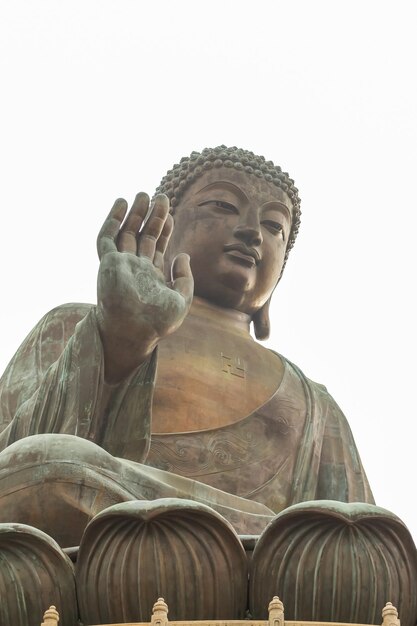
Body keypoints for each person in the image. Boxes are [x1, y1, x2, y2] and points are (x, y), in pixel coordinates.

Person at [0, 146, 373, 545]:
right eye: (223, 205)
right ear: (162, 233)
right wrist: (121, 338)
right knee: (47, 465)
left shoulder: (313, 403)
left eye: (274, 226)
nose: (252, 231)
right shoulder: (76, 324)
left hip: (267, 559)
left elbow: (357, 528)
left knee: (361, 541)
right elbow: (15, 460)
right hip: (97, 535)